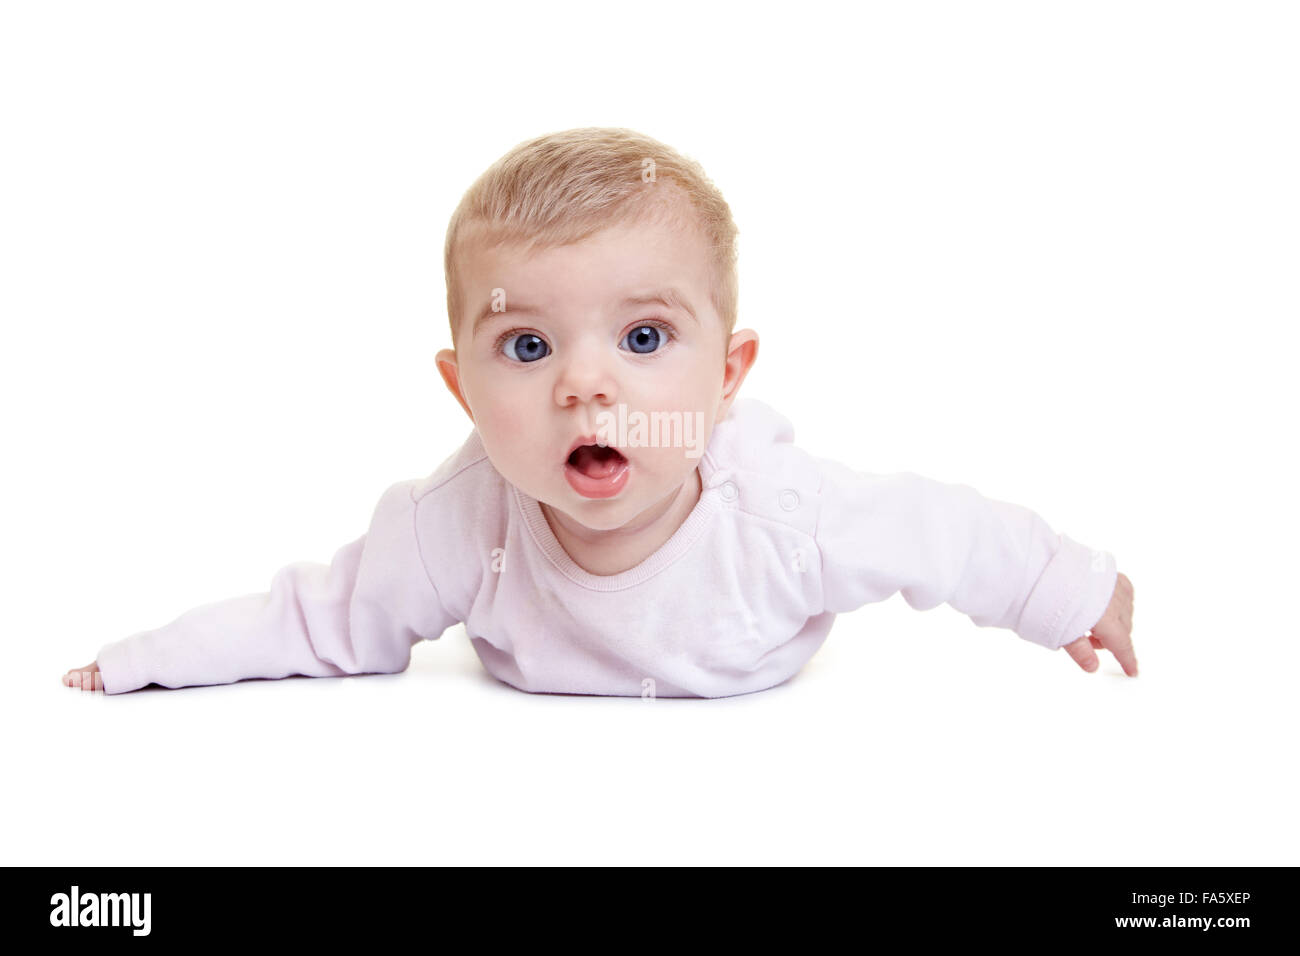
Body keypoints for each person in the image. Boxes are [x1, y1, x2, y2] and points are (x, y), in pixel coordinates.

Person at [63, 127, 1136, 698]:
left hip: (756, 680)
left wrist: (1072, 589)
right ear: (462, 391)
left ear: (727, 373)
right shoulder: (457, 520)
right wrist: (142, 660)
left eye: (642, 339)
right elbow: (315, 618)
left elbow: (941, 535)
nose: (586, 385)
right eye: (526, 347)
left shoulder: (783, 511)